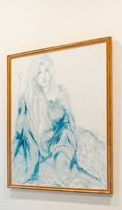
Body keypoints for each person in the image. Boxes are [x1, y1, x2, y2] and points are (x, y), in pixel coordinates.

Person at [12, 55, 106, 188]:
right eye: (39, 73)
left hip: (59, 142)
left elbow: (68, 125)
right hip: (35, 142)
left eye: (47, 71)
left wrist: (63, 149)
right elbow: (20, 130)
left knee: (64, 164)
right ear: (34, 76)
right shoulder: (27, 97)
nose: (44, 76)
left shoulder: (61, 94)